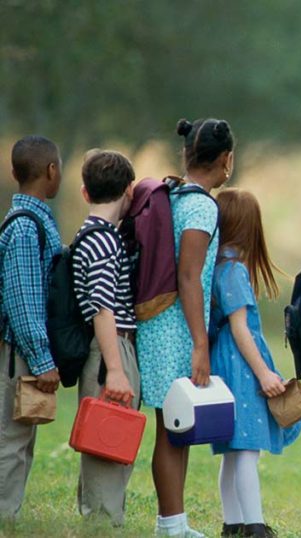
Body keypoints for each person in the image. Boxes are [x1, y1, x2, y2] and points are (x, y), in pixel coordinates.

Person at [137, 118, 233, 537]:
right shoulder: (202, 206)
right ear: (226, 161)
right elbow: (190, 276)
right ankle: (171, 524)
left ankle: (172, 522)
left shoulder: (174, 195)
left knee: (173, 425)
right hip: (176, 329)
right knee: (172, 429)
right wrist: (200, 343)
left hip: (159, 323)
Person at [209, 188, 301, 538]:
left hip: (226, 361)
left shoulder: (218, 265)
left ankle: (233, 523)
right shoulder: (233, 270)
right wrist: (264, 373)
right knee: (247, 448)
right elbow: (239, 329)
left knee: (233, 451)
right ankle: (255, 525)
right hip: (239, 366)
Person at [71, 149, 140, 526]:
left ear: (85, 192)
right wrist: (114, 369)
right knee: (107, 442)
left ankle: (104, 517)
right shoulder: (101, 240)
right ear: (129, 190)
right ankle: (102, 522)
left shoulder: (103, 236)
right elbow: (102, 307)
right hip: (110, 349)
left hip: (114, 346)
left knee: (113, 440)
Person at [0, 135, 63, 520]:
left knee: (21, 436)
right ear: (51, 171)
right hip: (21, 351)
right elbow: (23, 301)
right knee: (11, 437)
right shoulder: (25, 228)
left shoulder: (32, 220)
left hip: (26, 349)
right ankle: (5, 515)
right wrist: (41, 359)